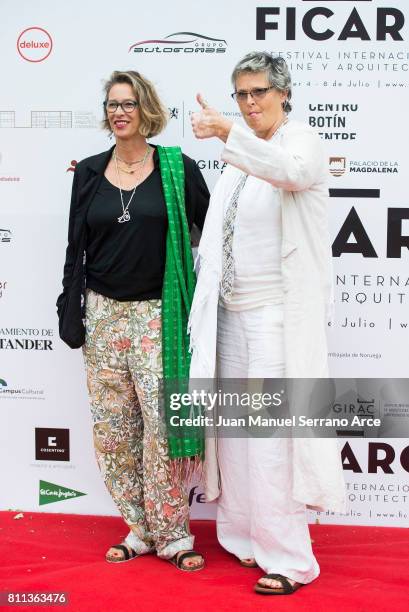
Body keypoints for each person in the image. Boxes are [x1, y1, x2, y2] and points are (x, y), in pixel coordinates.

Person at [189, 52, 345, 594]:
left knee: (271, 438)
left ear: (283, 93)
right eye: (241, 95)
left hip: (276, 316)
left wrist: (230, 131)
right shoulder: (238, 157)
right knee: (233, 433)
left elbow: (292, 174)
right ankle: (244, 537)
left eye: (258, 93)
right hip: (230, 314)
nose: (250, 103)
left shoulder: (300, 140)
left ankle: (290, 559)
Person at [57, 70, 209, 571]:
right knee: (115, 428)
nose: (118, 112)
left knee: (161, 427)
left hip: (156, 316)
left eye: (128, 103)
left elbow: (204, 233)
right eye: (111, 104)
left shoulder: (176, 168)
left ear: (147, 110)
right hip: (102, 313)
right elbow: (77, 243)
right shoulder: (90, 172)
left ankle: (172, 534)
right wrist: (69, 303)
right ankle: (138, 528)